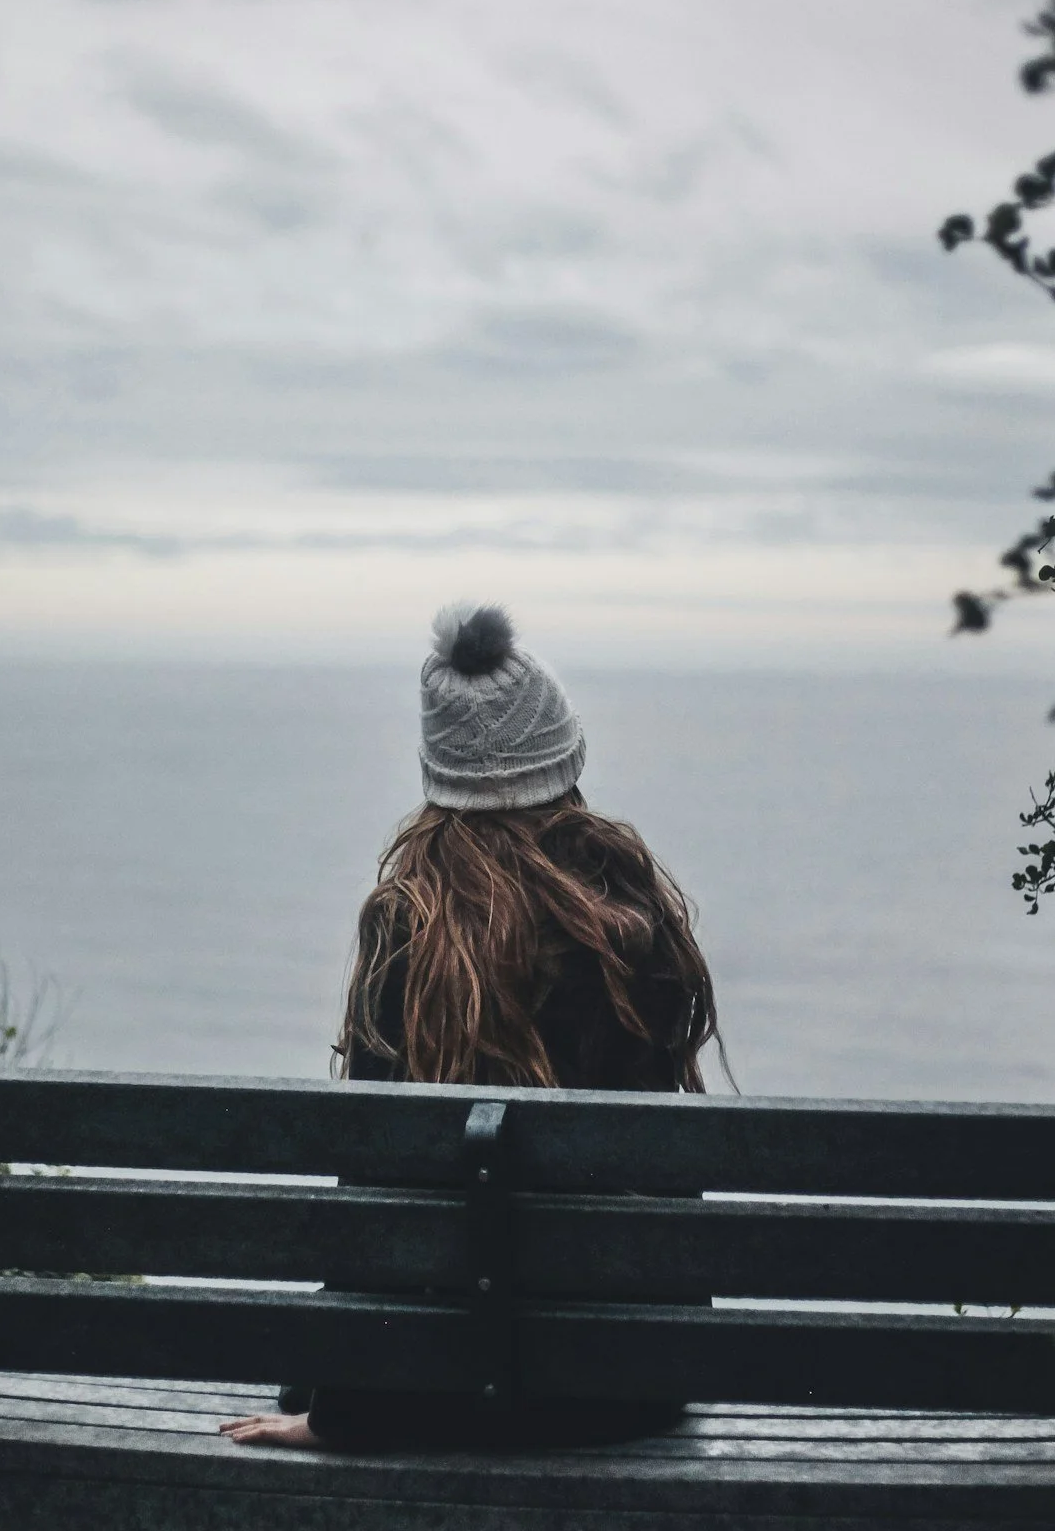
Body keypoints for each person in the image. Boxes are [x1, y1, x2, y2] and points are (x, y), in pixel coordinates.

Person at [222, 601, 721, 1451]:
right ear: (563, 758)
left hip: (434, 1388)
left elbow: (376, 1190)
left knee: (308, 1353)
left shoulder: (408, 925)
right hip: (628, 1384)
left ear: (438, 772)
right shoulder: (635, 921)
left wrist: (333, 1415)